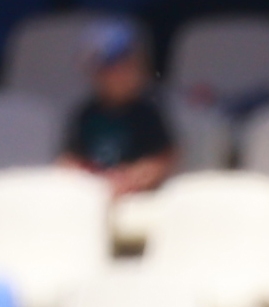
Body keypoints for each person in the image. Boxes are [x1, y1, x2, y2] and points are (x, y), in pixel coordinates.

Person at [59, 25, 183, 197]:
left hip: (138, 197)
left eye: (129, 67)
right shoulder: (85, 114)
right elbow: (70, 159)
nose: (122, 76)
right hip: (93, 195)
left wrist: (138, 176)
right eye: (112, 70)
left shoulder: (148, 113)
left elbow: (165, 157)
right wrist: (86, 176)